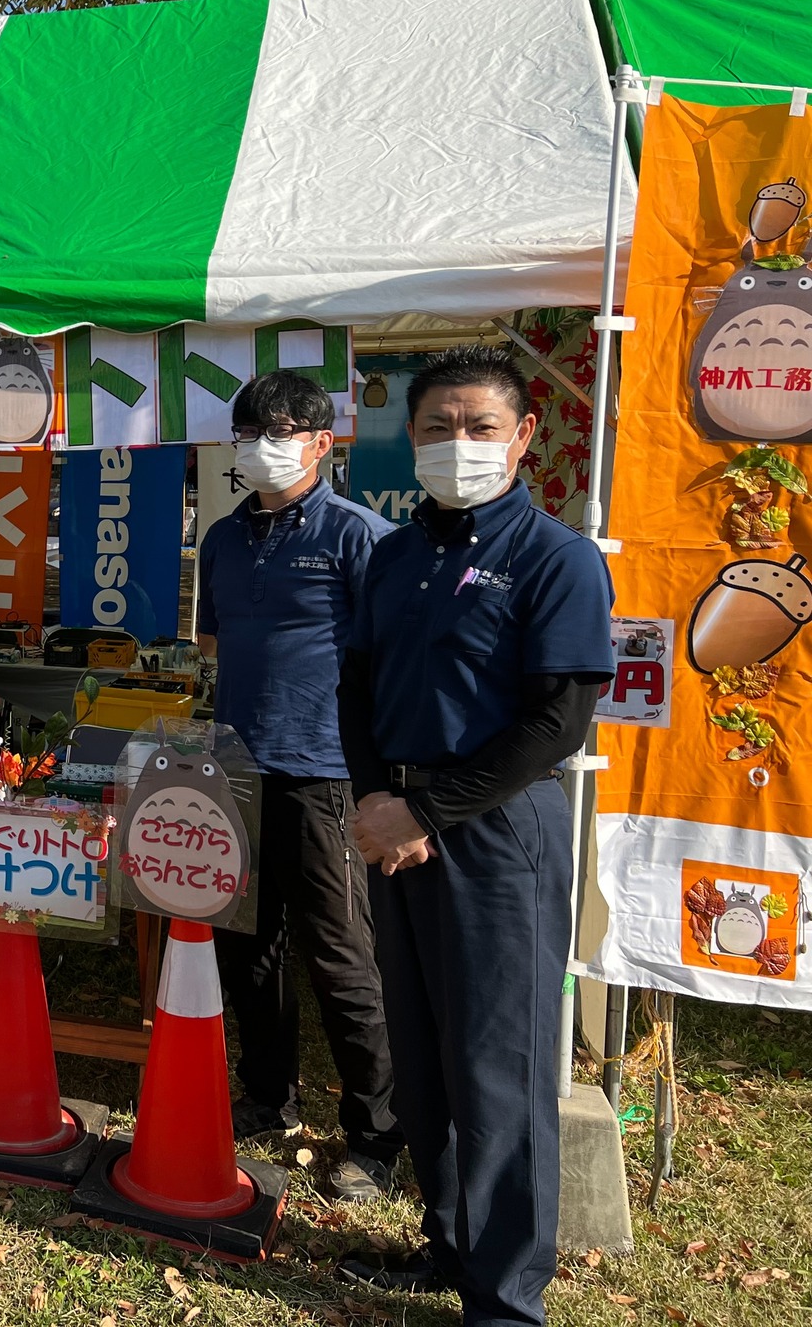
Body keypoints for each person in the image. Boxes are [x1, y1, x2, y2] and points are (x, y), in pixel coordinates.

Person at [336, 346, 613, 1326]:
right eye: (437, 428)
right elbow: (355, 690)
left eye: (479, 427)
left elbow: (555, 722)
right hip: (394, 827)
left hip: (496, 833)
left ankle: (502, 1301)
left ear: (523, 436)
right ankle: (445, 1246)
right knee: (421, 1060)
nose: (457, 445)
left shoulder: (553, 557)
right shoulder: (393, 556)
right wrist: (376, 803)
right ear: (408, 438)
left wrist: (424, 810)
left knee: (497, 1069)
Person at [195, 370, 403, 1203]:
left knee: (342, 957)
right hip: (239, 769)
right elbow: (215, 645)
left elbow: (391, 665)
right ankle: (269, 1098)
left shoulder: (360, 537)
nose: (260, 446)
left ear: (322, 443)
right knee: (248, 945)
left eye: (278, 431)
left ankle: (377, 1136)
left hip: (325, 775)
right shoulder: (221, 536)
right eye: (249, 432)